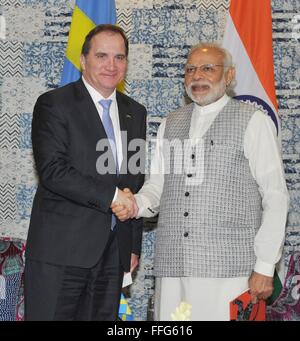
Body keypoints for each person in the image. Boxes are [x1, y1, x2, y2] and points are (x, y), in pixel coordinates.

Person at [111, 42, 289, 321]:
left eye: (208, 68)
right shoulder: (171, 122)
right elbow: (158, 186)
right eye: (190, 69)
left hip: (231, 270)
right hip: (174, 269)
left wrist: (265, 266)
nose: (197, 76)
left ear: (229, 76)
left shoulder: (254, 121)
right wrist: (135, 204)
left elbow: (276, 196)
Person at [24, 24, 146, 321]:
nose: (111, 65)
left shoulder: (135, 112)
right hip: (61, 251)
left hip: (112, 254)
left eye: (119, 57)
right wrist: (113, 196)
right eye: (102, 55)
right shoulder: (54, 104)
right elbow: (54, 171)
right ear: (83, 59)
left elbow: (133, 180)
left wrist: (130, 245)